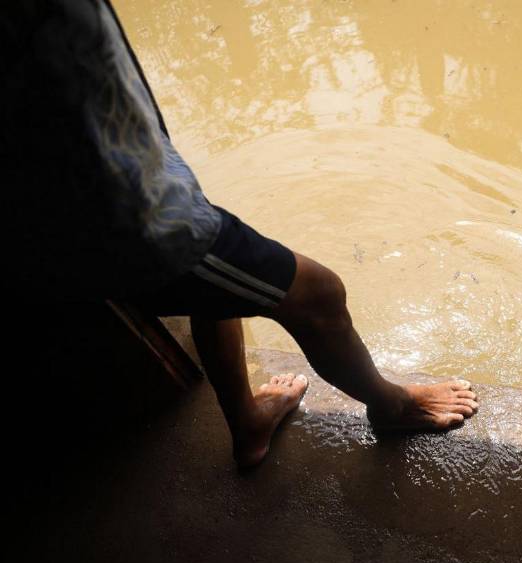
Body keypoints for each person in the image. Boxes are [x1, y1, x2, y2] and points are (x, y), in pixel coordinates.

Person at [2, 0, 478, 467]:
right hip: (134, 219)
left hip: (130, 178)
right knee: (319, 295)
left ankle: (248, 425)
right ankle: (392, 408)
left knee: (217, 292)